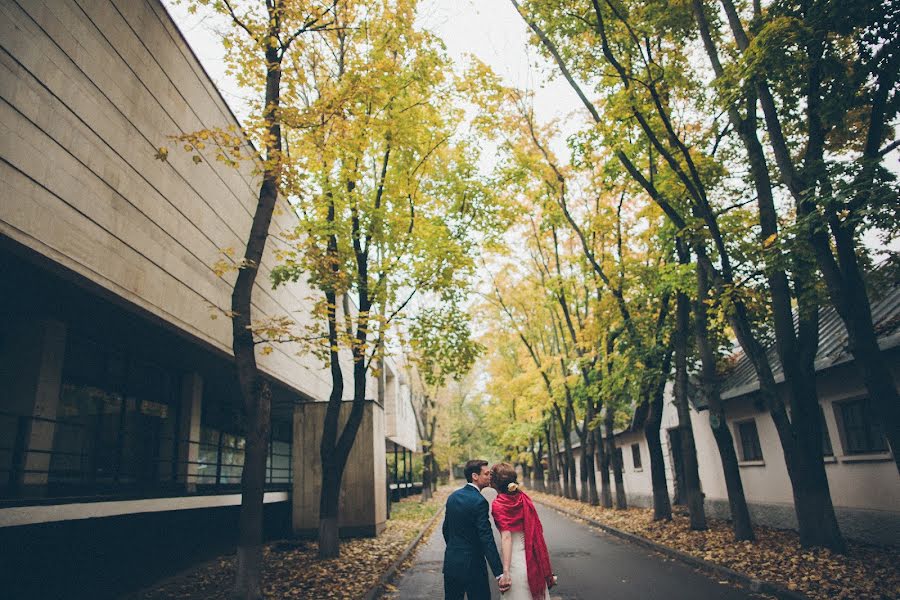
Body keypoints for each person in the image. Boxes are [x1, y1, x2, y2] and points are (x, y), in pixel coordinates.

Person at [443, 459, 512, 599]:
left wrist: (455, 549)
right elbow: (486, 538)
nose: (489, 477)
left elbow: (446, 530)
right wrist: (499, 573)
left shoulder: (452, 497)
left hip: (451, 563)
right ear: (475, 476)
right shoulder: (479, 501)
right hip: (473, 567)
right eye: (486, 474)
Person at [490, 462, 556, 600]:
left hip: (516, 562)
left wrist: (506, 571)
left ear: (495, 482)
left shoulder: (499, 504)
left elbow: (507, 537)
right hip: (533, 558)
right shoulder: (523, 498)